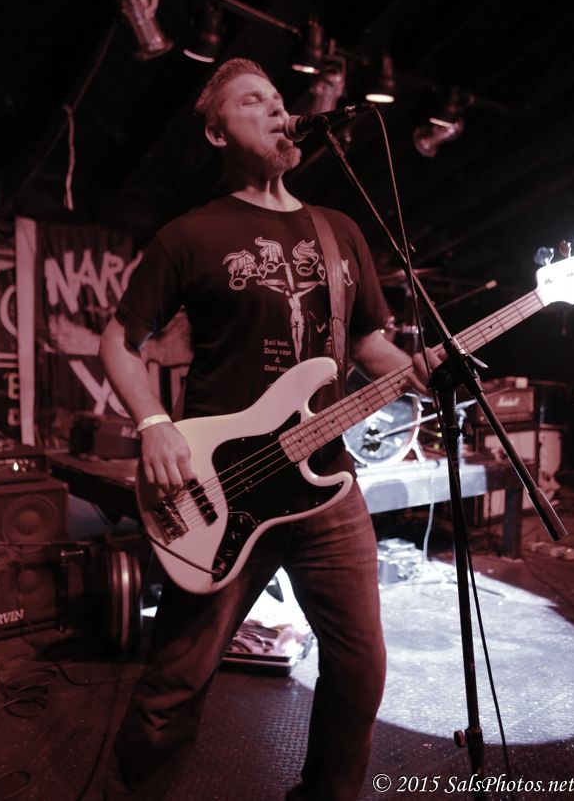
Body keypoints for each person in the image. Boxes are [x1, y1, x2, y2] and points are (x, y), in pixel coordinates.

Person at [100, 58, 436, 801]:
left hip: (326, 484)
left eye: (280, 99)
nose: (278, 110)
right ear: (217, 132)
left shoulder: (339, 231)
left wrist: (422, 368)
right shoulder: (190, 234)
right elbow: (118, 342)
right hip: (224, 487)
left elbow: (366, 344)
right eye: (254, 101)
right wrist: (153, 423)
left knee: (360, 670)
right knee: (175, 684)